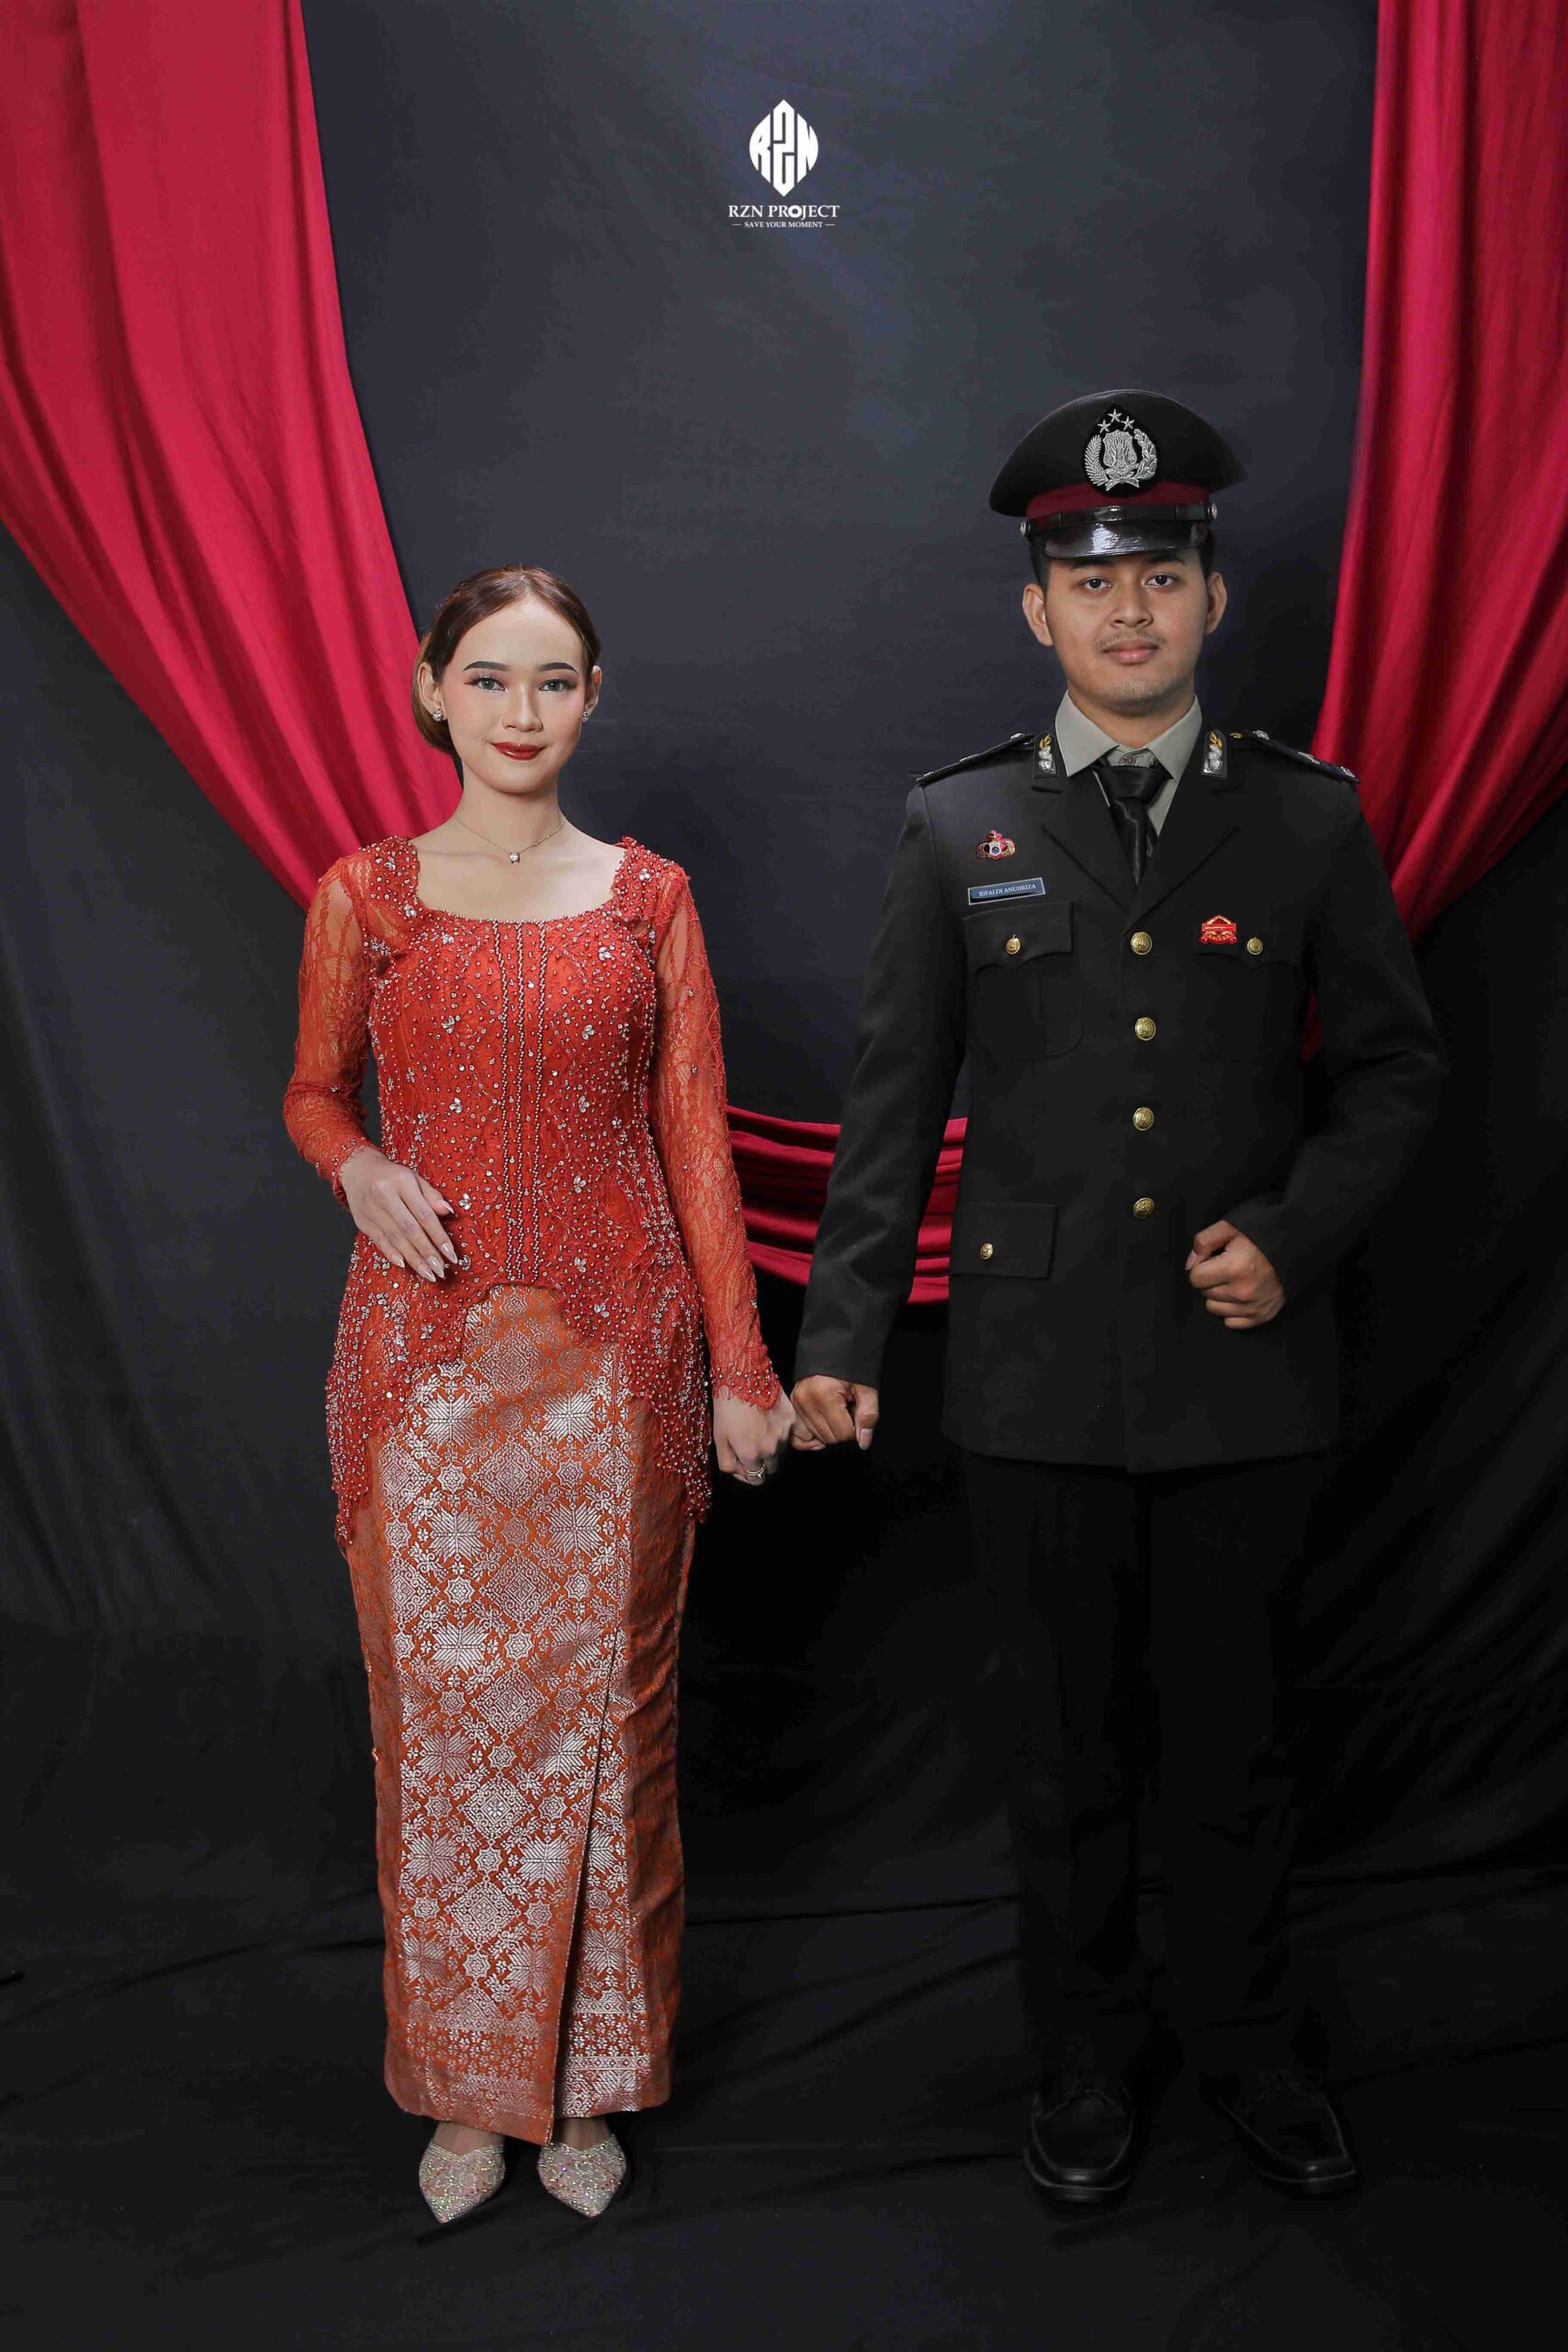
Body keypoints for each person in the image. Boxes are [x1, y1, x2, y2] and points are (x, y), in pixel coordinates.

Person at [790, 392, 1445, 2205]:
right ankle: (1082, 2061)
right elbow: (890, 1107)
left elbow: (1394, 1071)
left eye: (1160, 576)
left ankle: (1248, 2046)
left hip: (1246, 1362)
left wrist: (1296, 1231)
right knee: (1063, 1754)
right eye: (1093, 584)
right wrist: (839, 1339)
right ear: (1037, 611)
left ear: (1212, 598)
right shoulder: (960, 824)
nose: (1129, 610)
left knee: (1237, 1744)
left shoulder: (1305, 819)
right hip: (1035, 1373)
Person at [284, 566, 792, 2223]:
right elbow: (310, 1091)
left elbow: (697, 1145)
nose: (521, 710)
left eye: (553, 680)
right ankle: (463, 2090)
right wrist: (358, 1164)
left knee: (607, 1729)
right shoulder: (367, 895)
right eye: (490, 677)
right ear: (432, 691)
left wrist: (743, 1370)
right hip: (421, 1375)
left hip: (618, 1369)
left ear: (593, 698)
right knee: (438, 1731)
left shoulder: (650, 900)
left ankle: (585, 2087)